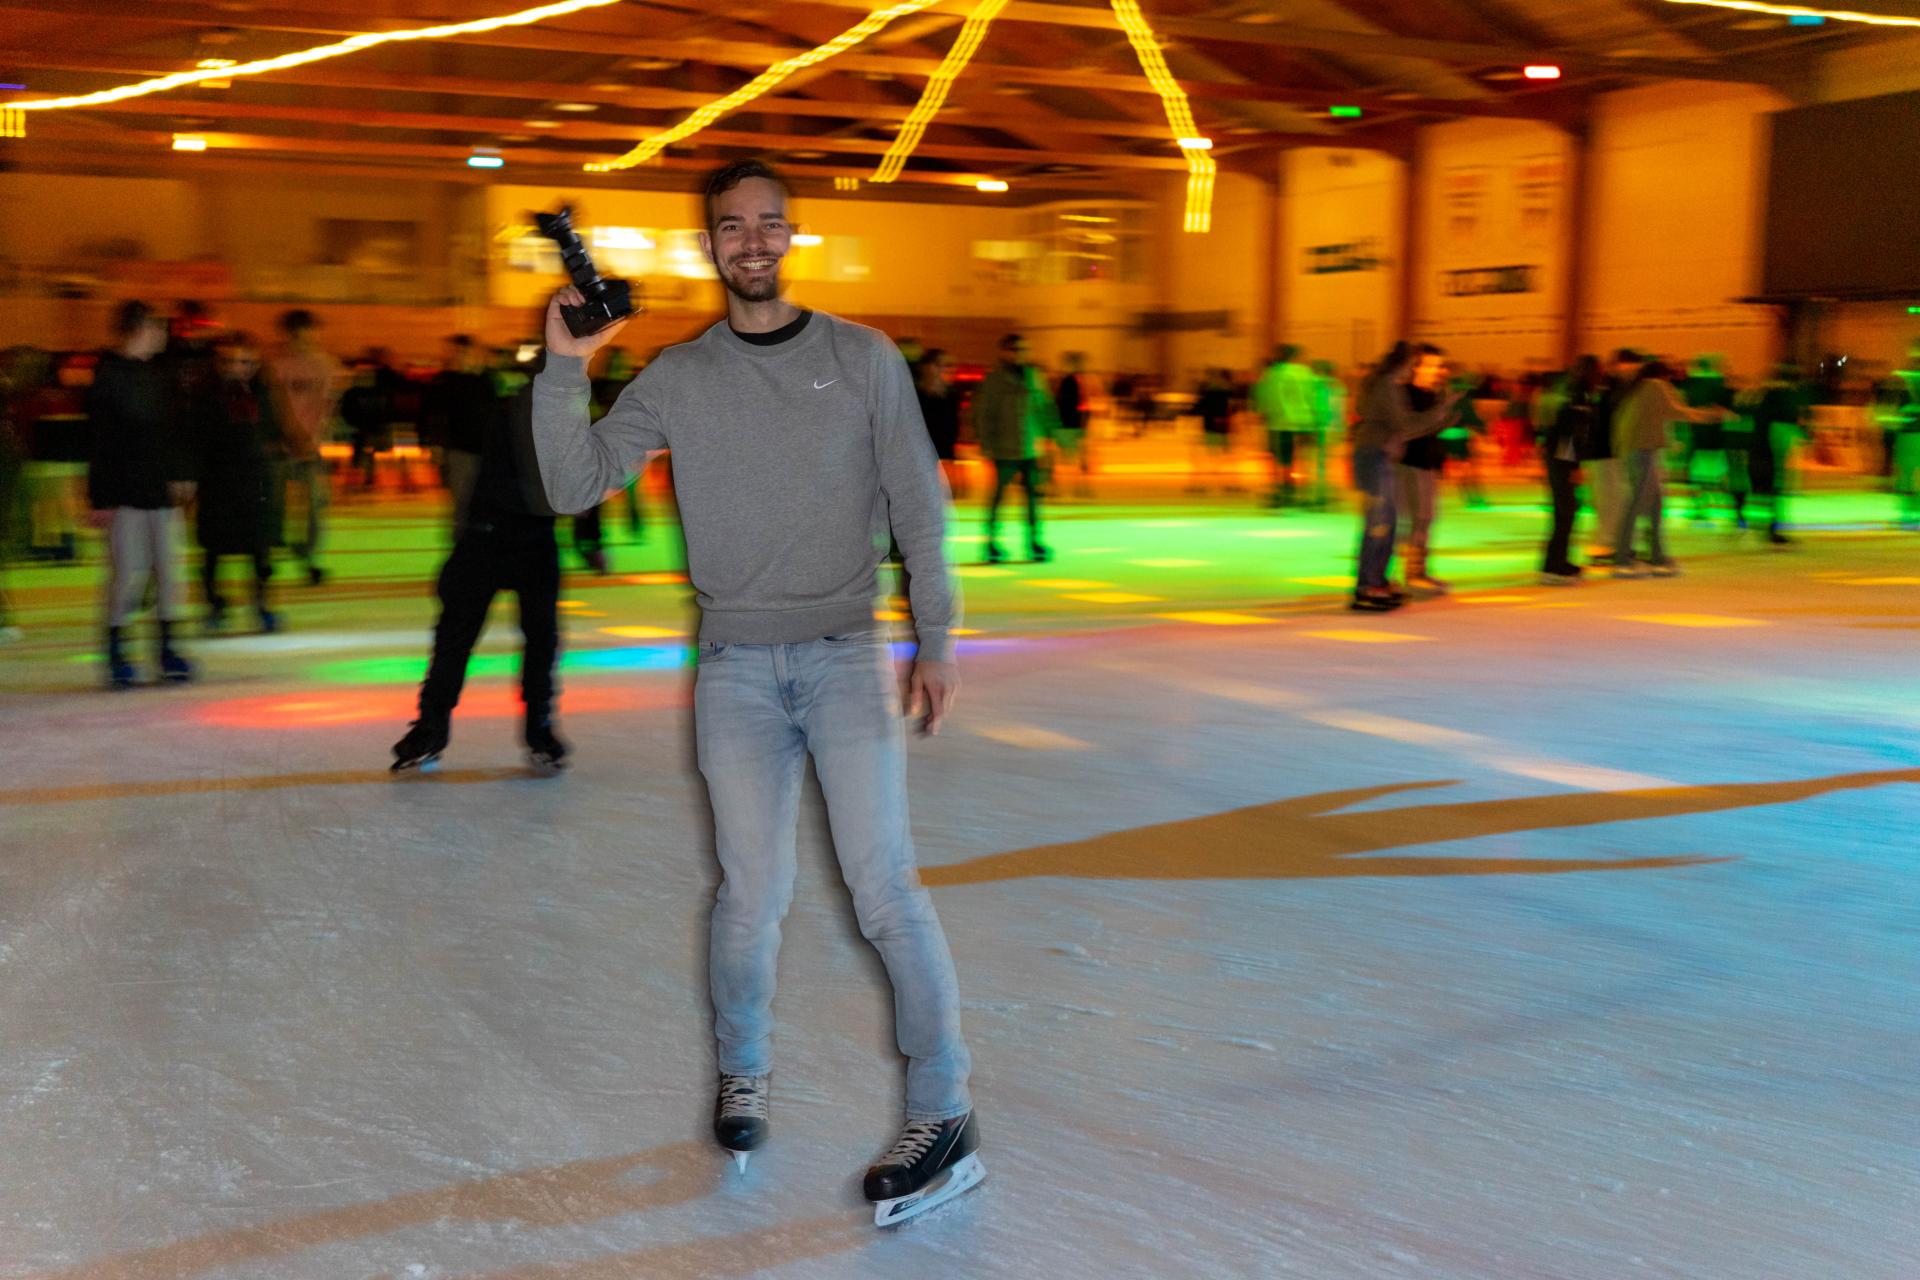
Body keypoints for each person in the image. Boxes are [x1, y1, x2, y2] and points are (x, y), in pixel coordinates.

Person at [529, 158, 980, 1225]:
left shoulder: (861, 357)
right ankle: (743, 1070)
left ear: (792, 236)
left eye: (769, 223)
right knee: (748, 894)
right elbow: (572, 483)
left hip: (843, 655)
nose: (753, 241)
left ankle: (945, 1113)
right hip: (734, 667)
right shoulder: (680, 375)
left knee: (885, 889)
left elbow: (916, 502)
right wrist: (563, 366)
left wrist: (936, 635)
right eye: (732, 227)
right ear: (710, 246)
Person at [391, 352, 567, 774]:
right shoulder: (501, 416)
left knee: (537, 639)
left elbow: (582, 481)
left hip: (530, 540)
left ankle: (537, 728)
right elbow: (466, 475)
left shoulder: (567, 419)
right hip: (486, 538)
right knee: (458, 637)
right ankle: (433, 726)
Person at [87, 301, 196, 688]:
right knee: (128, 574)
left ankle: (167, 649)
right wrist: (100, 499)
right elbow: (99, 443)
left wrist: (181, 474)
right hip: (125, 494)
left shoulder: (158, 375)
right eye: (157, 327)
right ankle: (116, 651)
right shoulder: (109, 377)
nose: (163, 335)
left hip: (160, 491)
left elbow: (173, 431)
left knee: (170, 571)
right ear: (138, 329)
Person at [1349, 343, 1461, 611]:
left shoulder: (1390, 386)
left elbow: (1406, 426)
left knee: (1386, 522)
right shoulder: (1387, 385)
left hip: (1380, 456)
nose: (1418, 370)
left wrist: (1441, 417)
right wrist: (1441, 412)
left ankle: (1377, 581)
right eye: (1417, 364)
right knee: (1380, 522)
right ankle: (1368, 585)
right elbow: (1406, 425)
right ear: (1405, 364)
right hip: (1374, 456)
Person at [1608, 361, 1735, 578]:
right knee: (1638, 504)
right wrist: (1712, 415)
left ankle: (1657, 557)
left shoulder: (1637, 389)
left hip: (1638, 451)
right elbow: (1676, 411)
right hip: (1643, 452)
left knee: (1655, 505)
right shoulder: (1655, 386)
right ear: (1663, 375)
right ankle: (1622, 559)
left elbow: (1634, 421)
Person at [194, 334, 284, 634]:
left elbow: (271, 430)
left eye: (246, 362)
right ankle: (214, 604)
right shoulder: (208, 395)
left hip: (255, 481)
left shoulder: (262, 393)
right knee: (215, 549)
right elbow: (199, 437)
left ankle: (261, 604)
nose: (239, 368)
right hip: (219, 481)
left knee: (259, 548)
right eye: (232, 361)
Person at [266, 309, 340, 586]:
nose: (309, 339)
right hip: (280, 446)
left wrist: (314, 439)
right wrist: (291, 436)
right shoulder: (274, 365)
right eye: (302, 334)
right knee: (275, 505)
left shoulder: (326, 365)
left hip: (309, 446)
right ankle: (269, 554)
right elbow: (273, 407)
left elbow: (327, 408)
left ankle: (308, 557)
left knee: (315, 506)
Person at [973, 332, 1055, 563]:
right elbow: (984, 414)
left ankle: (1034, 541)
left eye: (1023, 349)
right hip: (1004, 450)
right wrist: (986, 444)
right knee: (998, 498)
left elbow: (1044, 408)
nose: (1020, 354)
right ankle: (991, 542)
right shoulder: (994, 380)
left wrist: (1049, 437)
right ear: (1004, 352)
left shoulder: (1034, 377)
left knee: (1032, 499)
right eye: (1015, 349)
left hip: (1030, 448)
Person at [1394, 345, 1455, 594]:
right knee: (1411, 519)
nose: (1437, 371)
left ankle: (1419, 571)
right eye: (1430, 365)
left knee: (1427, 517)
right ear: (1415, 367)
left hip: (1427, 464)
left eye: (1439, 366)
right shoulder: (1403, 395)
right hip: (1406, 464)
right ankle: (1407, 574)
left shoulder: (1434, 395)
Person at [1539, 356, 1605, 584]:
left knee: (1567, 512)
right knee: (1565, 512)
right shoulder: (1578, 397)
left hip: (1559, 458)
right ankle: (1554, 566)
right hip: (1561, 460)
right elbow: (1570, 435)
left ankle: (1557, 562)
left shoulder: (1577, 393)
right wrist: (1573, 467)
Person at [1739, 363, 1813, 545]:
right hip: (1772, 451)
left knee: (1760, 488)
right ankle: (1772, 529)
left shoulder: (1762, 395)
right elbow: (1791, 421)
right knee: (1774, 487)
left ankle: (1754, 524)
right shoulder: (1784, 397)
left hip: (1757, 447)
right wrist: (1805, 434)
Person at [1588, 348, 1644, 561]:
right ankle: (1612, 543)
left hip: (1612, 453)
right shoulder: (1614, 388)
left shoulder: (1615, 388)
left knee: (1615, 500)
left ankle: (1616, 543)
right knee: (1611, 500)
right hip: (1608, 453)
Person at [1252, 344, 1315, 508]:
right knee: (1302, 458)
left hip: (1280, 422)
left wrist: (1262, 413)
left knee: (1280, 458)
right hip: (1304, 421)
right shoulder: (1306, 373)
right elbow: (1312, 396)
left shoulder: (1272, 374)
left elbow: (1265, 397)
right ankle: (1303, 492)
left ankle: (1282, 489)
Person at [915, 348, 964, 500]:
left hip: (945, 454)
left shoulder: (952, 394)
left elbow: (953, 424)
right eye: (946, 365)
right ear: (932, 368)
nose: (951, 369)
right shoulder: (916, 395)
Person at [1051, 351, 1093, 499]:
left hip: (1064, 424)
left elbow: (1058, 402)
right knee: (1075, 460)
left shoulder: (1064, 381)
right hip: (1071, 425)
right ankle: (1078, 489)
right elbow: (1075, 403)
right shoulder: (1072, 381)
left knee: (1063, 460)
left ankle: (1061, 489)